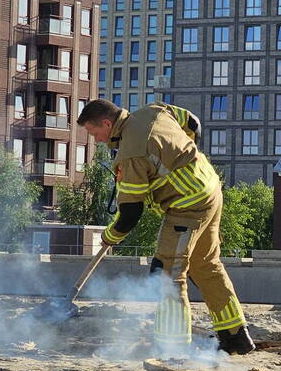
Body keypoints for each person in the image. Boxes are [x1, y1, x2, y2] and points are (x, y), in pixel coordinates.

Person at [77, 98, 255, 355]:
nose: (98, 140)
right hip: (211, 189)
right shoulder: (153, 111)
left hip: (187, 205)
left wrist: (109, 236)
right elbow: (193, 122)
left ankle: (172, 346)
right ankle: (236, 337)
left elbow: (130, 213)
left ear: (107, 123)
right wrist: (183, 155)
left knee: (166, 273)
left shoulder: (131, 154)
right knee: (206, 266)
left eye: (95, 133)